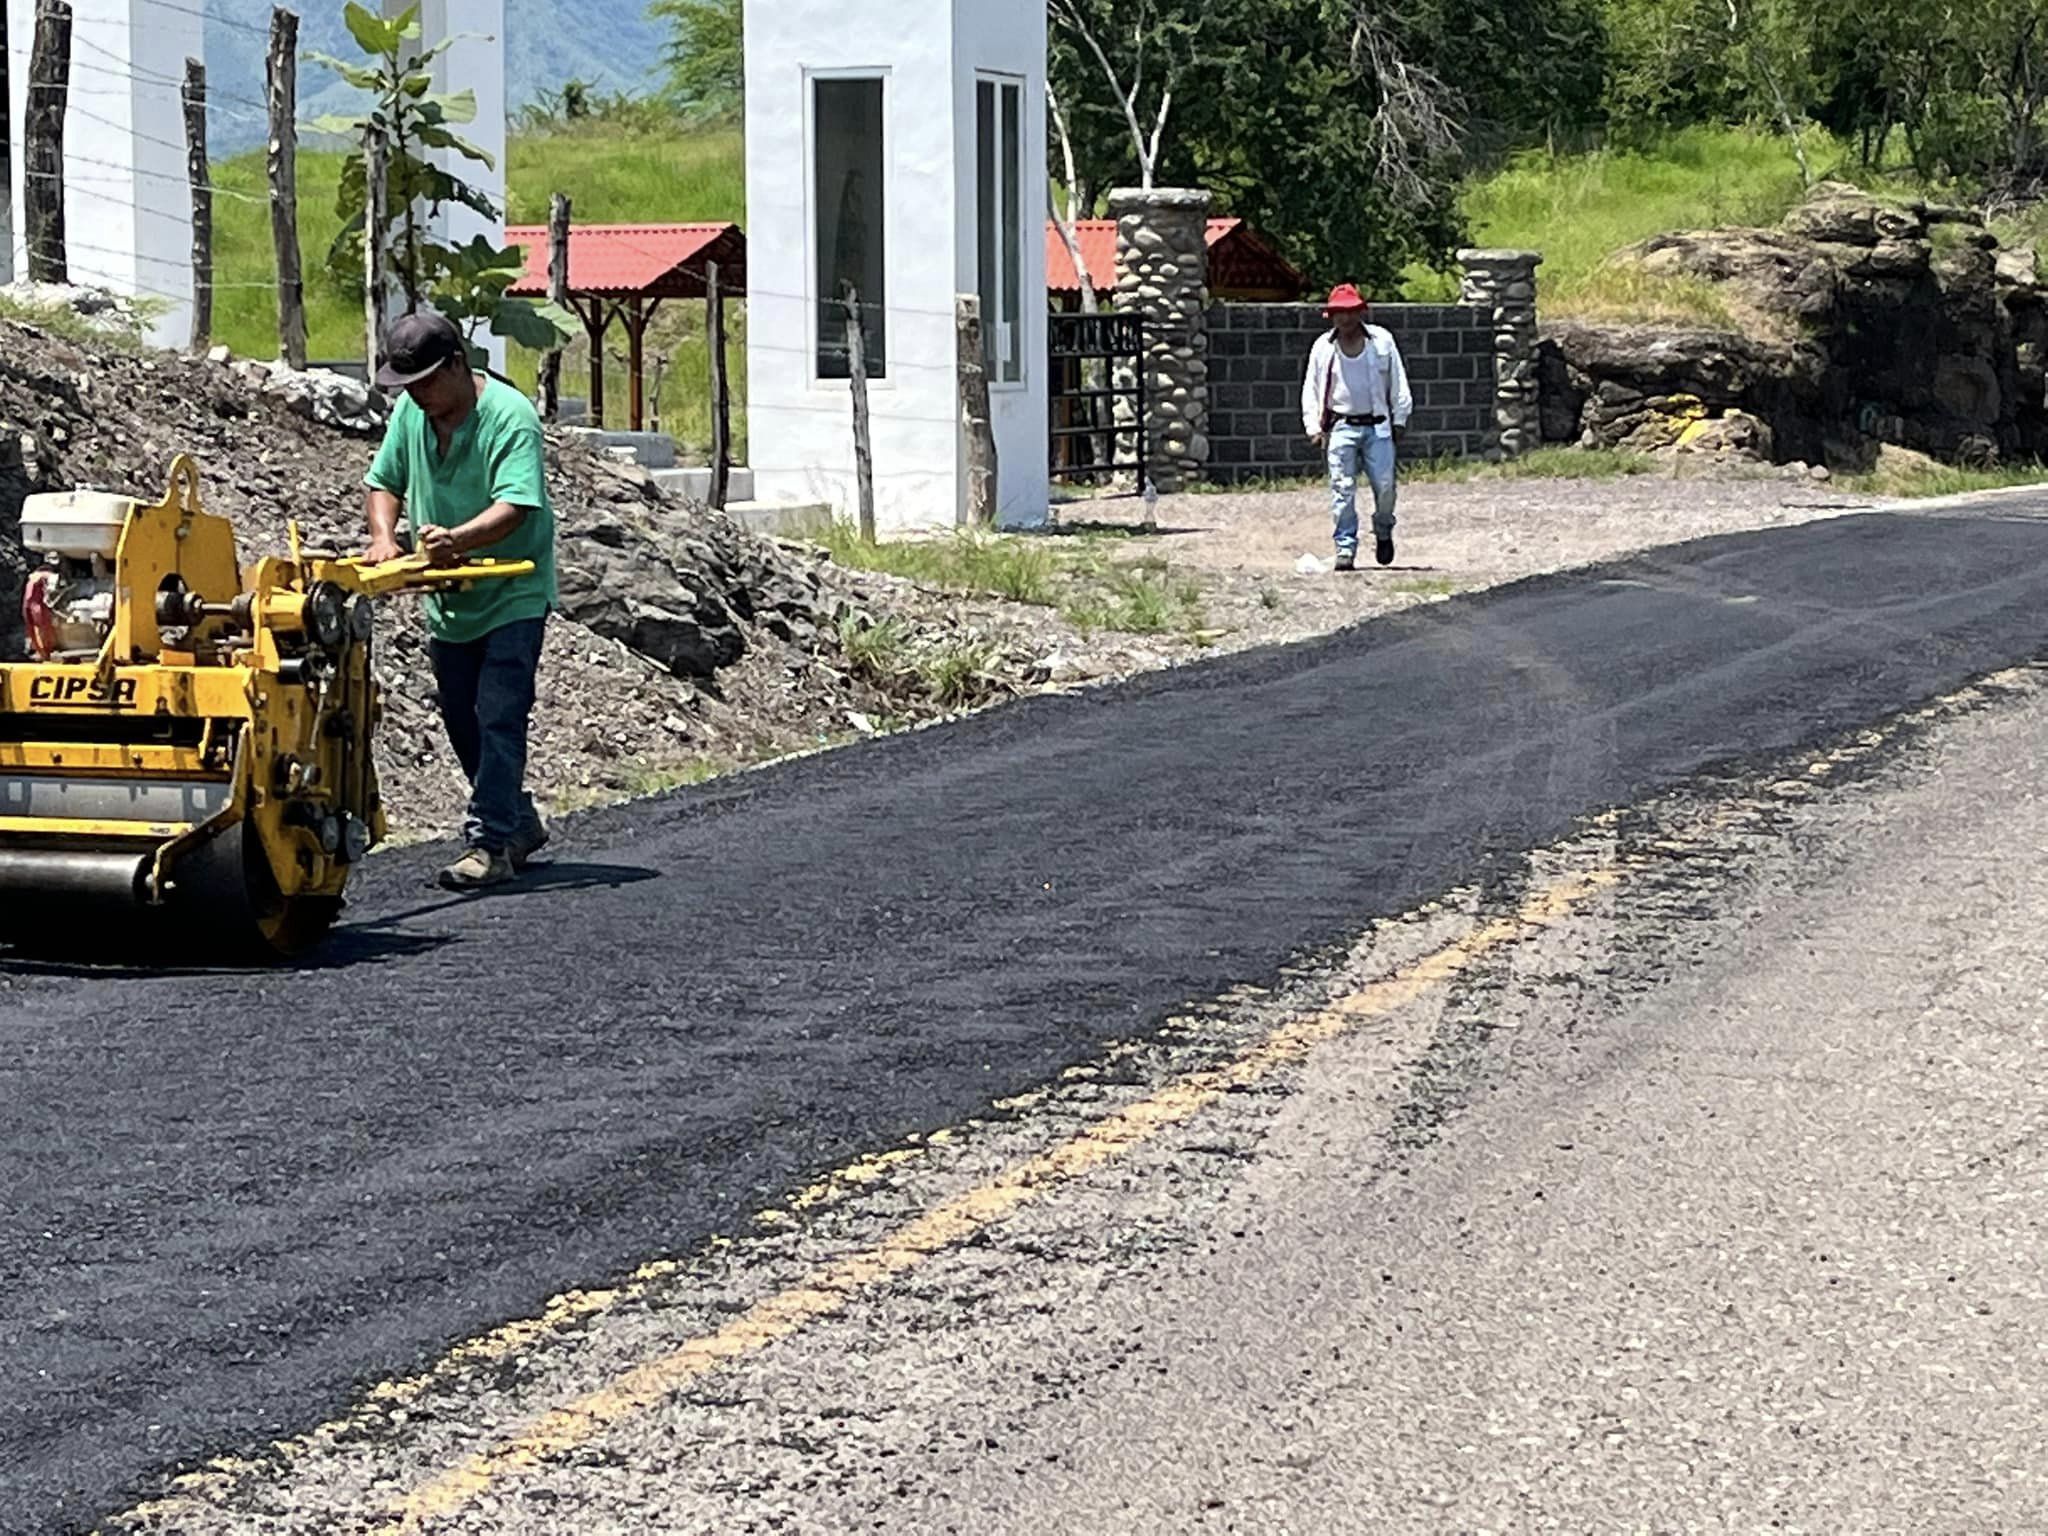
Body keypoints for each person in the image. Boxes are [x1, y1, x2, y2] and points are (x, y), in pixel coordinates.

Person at [362, 310, 558, 891]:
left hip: (511, 590)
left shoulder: (510, 418)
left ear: (455, 365)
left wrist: (459, 539)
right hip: (449, 596)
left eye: (423, 382)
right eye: (407, 386)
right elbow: (384, 481)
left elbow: (517, 504)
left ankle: (490, 843)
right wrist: (383, 536)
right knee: (461, 721)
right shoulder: (411, 414)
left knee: (499, 714)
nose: (416, 395)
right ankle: (518, 820)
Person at [1300, 283, 1413, 571]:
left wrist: (1400, 417)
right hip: (1341, 426)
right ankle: (1345, 547)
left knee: (1385, 488)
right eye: (1338, 313)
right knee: (1342, 488)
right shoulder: (1323, 348)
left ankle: (1384, 528)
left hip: (1378, 427)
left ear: (1360, 312)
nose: (1344, 319)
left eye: (1349, 312)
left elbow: (1398, 382)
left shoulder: (1382, 342)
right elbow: (1311, 389)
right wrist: (1313, 426)